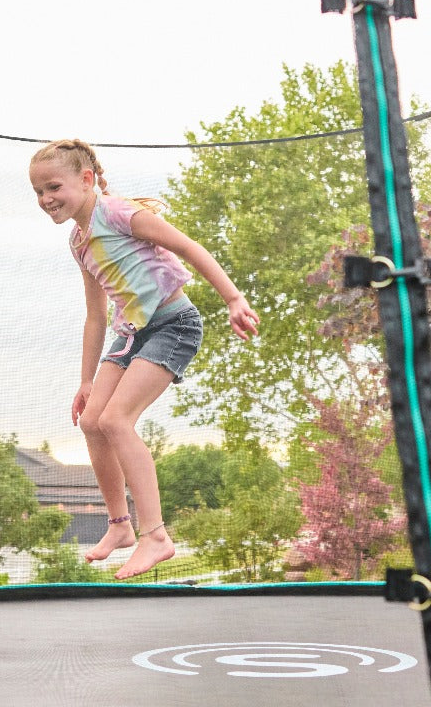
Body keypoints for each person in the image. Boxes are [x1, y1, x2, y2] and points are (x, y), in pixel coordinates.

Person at [29, 139, 260, 580]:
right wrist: (85, 380)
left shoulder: (118, 214)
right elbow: (96, 316)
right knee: (94, 419)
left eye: (53, 187)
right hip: (131, 332)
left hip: (174, 324)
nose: (46, 199)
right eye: (39, 192)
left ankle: (156, 536)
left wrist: (233, 299)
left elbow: (190, 247)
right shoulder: (79, 242)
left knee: (117, 421)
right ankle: (120, 526)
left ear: (87, 179)